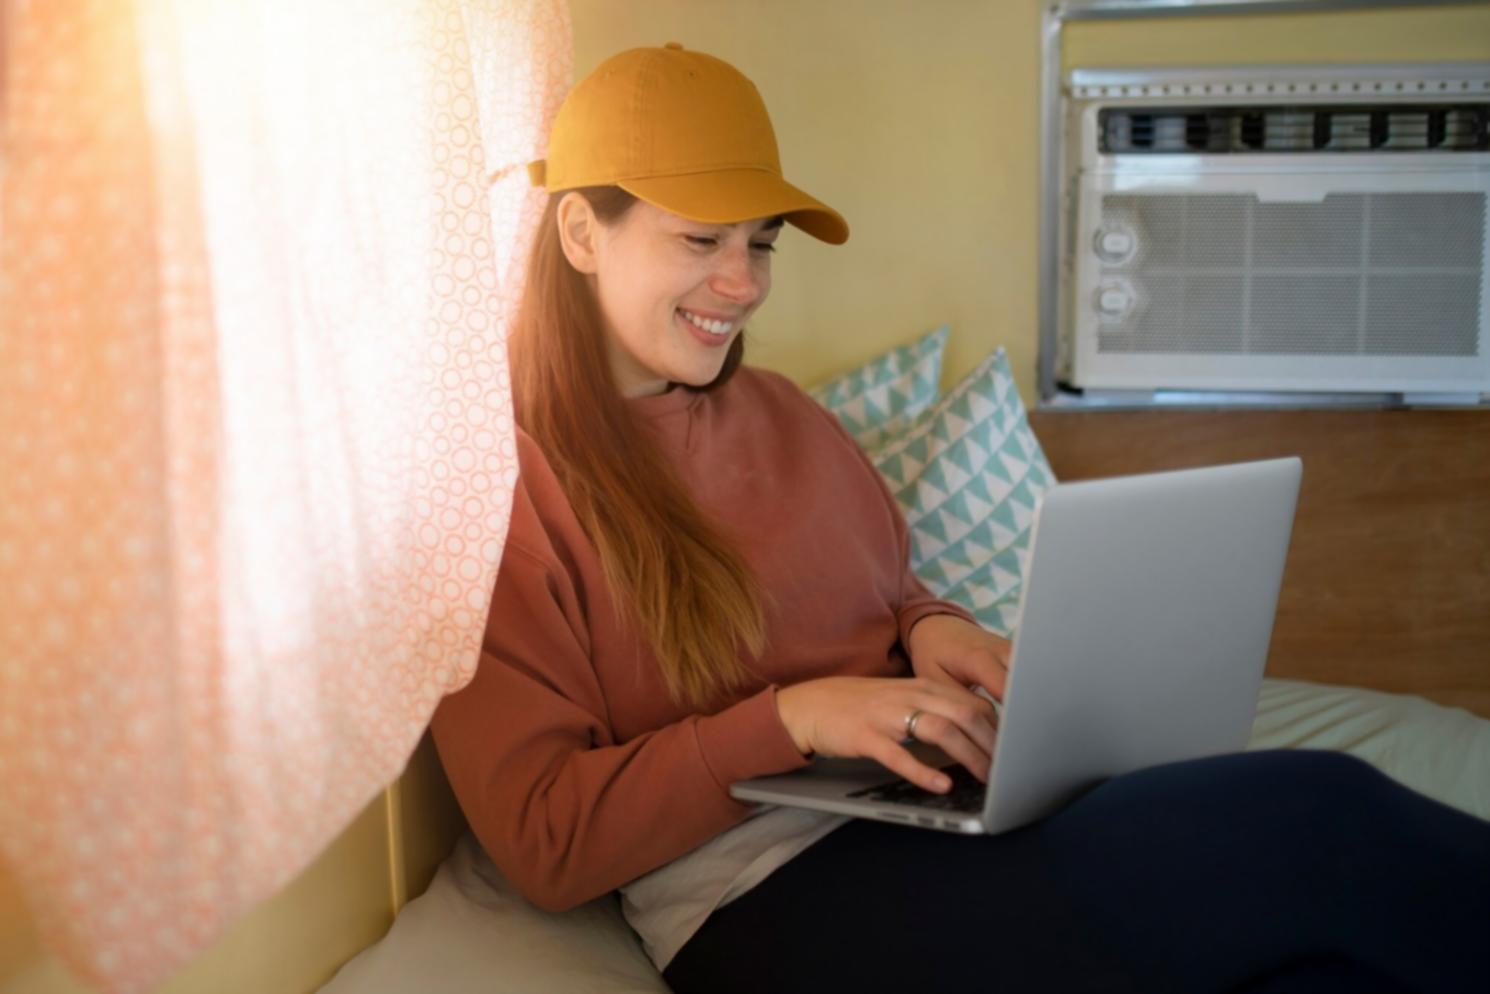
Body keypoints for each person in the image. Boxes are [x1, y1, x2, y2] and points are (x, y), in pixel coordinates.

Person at [431, 43, 1490, 994]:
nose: (741, 281)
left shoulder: (787, 416)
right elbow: (543, 836)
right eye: (702, 237)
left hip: (938, 806)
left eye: (761, 243)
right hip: (764, 895)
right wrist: (793, 717)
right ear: (579, 229)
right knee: (1314, 815)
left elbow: (881, 587)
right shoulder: (503, 490)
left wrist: (928, 628)